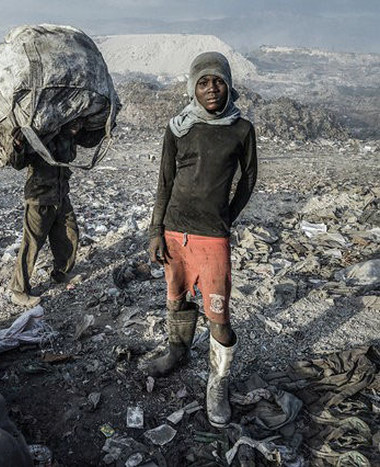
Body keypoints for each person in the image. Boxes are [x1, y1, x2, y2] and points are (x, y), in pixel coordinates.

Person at [145, 52, 257, 427]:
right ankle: (177, 351)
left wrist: (226, 216)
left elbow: (248, 180)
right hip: (175, 229)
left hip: (213, 237)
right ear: (193, 86)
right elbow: (164, 181)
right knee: (176, 297)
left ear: (229, 83)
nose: (212, 88)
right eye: (204, 82)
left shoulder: (240, 129)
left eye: (219, 80)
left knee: (219, 315)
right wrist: (155, 230)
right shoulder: (179, 127)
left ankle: (218, 383)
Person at [7, 120, 102, 307]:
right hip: (40, 198)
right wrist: (18, 145)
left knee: (70, 233)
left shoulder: (69, 136)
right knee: (32, 243)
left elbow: (90, 140)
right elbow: (18, 163)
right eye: (73, 125)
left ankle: (62, 273)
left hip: (60, 195)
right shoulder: (41, 135)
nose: (76, 128)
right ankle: (18, 290)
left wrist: (106, 126)